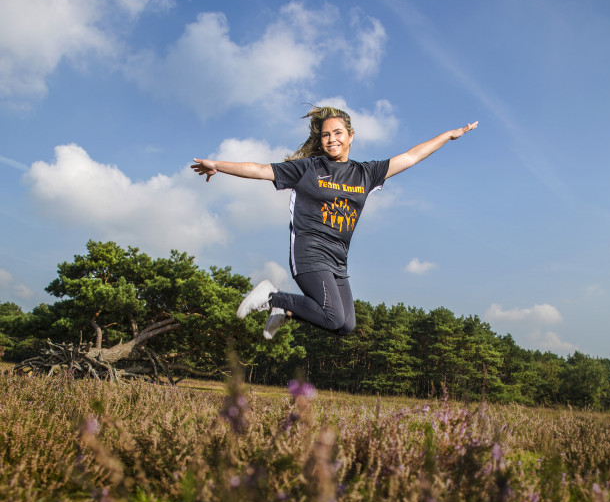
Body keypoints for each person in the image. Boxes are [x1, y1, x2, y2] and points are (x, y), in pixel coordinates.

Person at [191, 106, 477, 340]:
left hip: (338, 259)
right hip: (309, 252)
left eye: (337, 133)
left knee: (345, 325)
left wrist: (449, 136)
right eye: (326, 135)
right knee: (332, 315)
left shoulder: (366, 173)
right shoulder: (308, 169)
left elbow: (411, 156)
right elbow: (260, 169)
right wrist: (219, 164)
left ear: (350, 136)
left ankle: (287, 311)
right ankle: (273, 296)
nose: (331, 139)